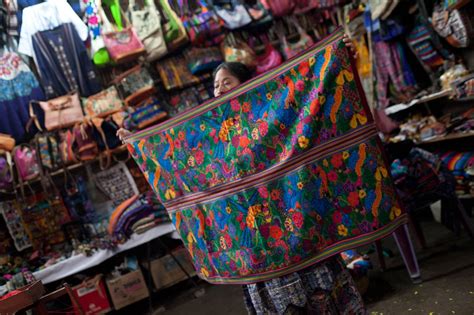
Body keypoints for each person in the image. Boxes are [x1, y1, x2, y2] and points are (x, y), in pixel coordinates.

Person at [118, 36, 366, 314]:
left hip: (296, 223)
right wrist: (137, 141)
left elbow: (312, 96)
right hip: (254, 240)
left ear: (246, 84)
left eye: (227, 82)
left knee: (322, 293)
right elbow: (175, 152)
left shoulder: (274, 112)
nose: (219, 90)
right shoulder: (211, 133)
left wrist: (338, 54)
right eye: (215, 85)